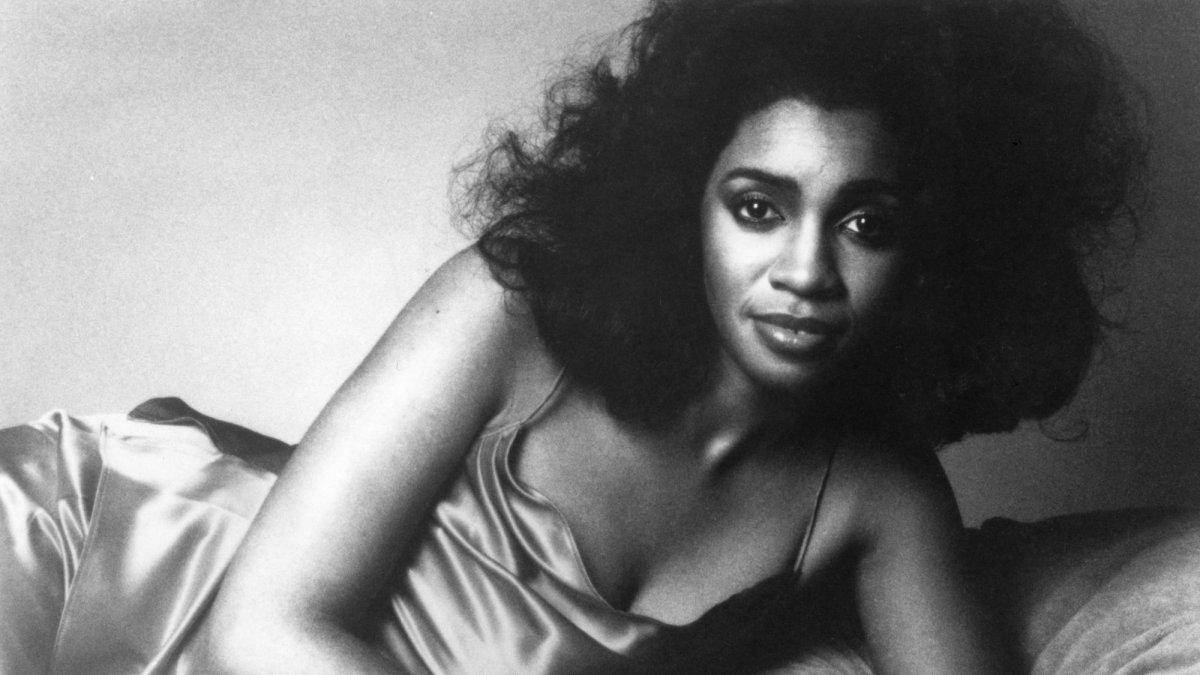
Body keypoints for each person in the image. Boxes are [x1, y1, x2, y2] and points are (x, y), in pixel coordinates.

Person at [1, 0, 1143, 672]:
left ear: (940, 255)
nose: (805, 271)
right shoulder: (513, 312)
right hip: (106, 553)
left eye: (866, 223)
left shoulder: (876, 500)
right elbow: (262, 630)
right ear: (683, 204)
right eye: (758, 207)